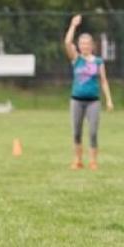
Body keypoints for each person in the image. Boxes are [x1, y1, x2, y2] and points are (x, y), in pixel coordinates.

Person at [63, 14, 114, 170]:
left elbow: (104, 81)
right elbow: (67, 42)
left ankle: (93, 161)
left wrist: (109, 100)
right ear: (79, 46)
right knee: (76, 132)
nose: (85, 46)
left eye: (87, 44)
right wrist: (73, 25)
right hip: (76, 100)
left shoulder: (98, 61)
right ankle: (78, 160)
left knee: (92, 132)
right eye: (82, 43)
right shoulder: (76, 59)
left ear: (92, 45)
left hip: (93, 101)